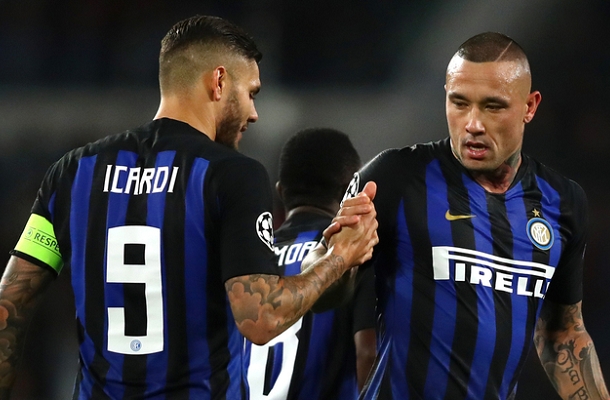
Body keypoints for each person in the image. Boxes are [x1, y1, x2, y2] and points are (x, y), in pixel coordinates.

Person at [0, 15, 378, 399]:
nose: (253, 113)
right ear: (219, 82)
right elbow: (261, 317)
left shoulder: (73, 172)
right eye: (251, 93)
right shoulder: (231, 175)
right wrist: (340, 257)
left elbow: (10, 300)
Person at [341, 32, 609, 399]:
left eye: (493, 106)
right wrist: (337, 259)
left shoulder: (563, 202)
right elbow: (323, 288)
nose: (473, 124)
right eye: (459, 102)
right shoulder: (394, 178)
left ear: (530, 106)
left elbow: (562, 332)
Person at [245, 128, 377, 399]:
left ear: (281, 191)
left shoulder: (247, 261)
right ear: (349, 191)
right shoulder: (355, 253)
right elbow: (369, 353)